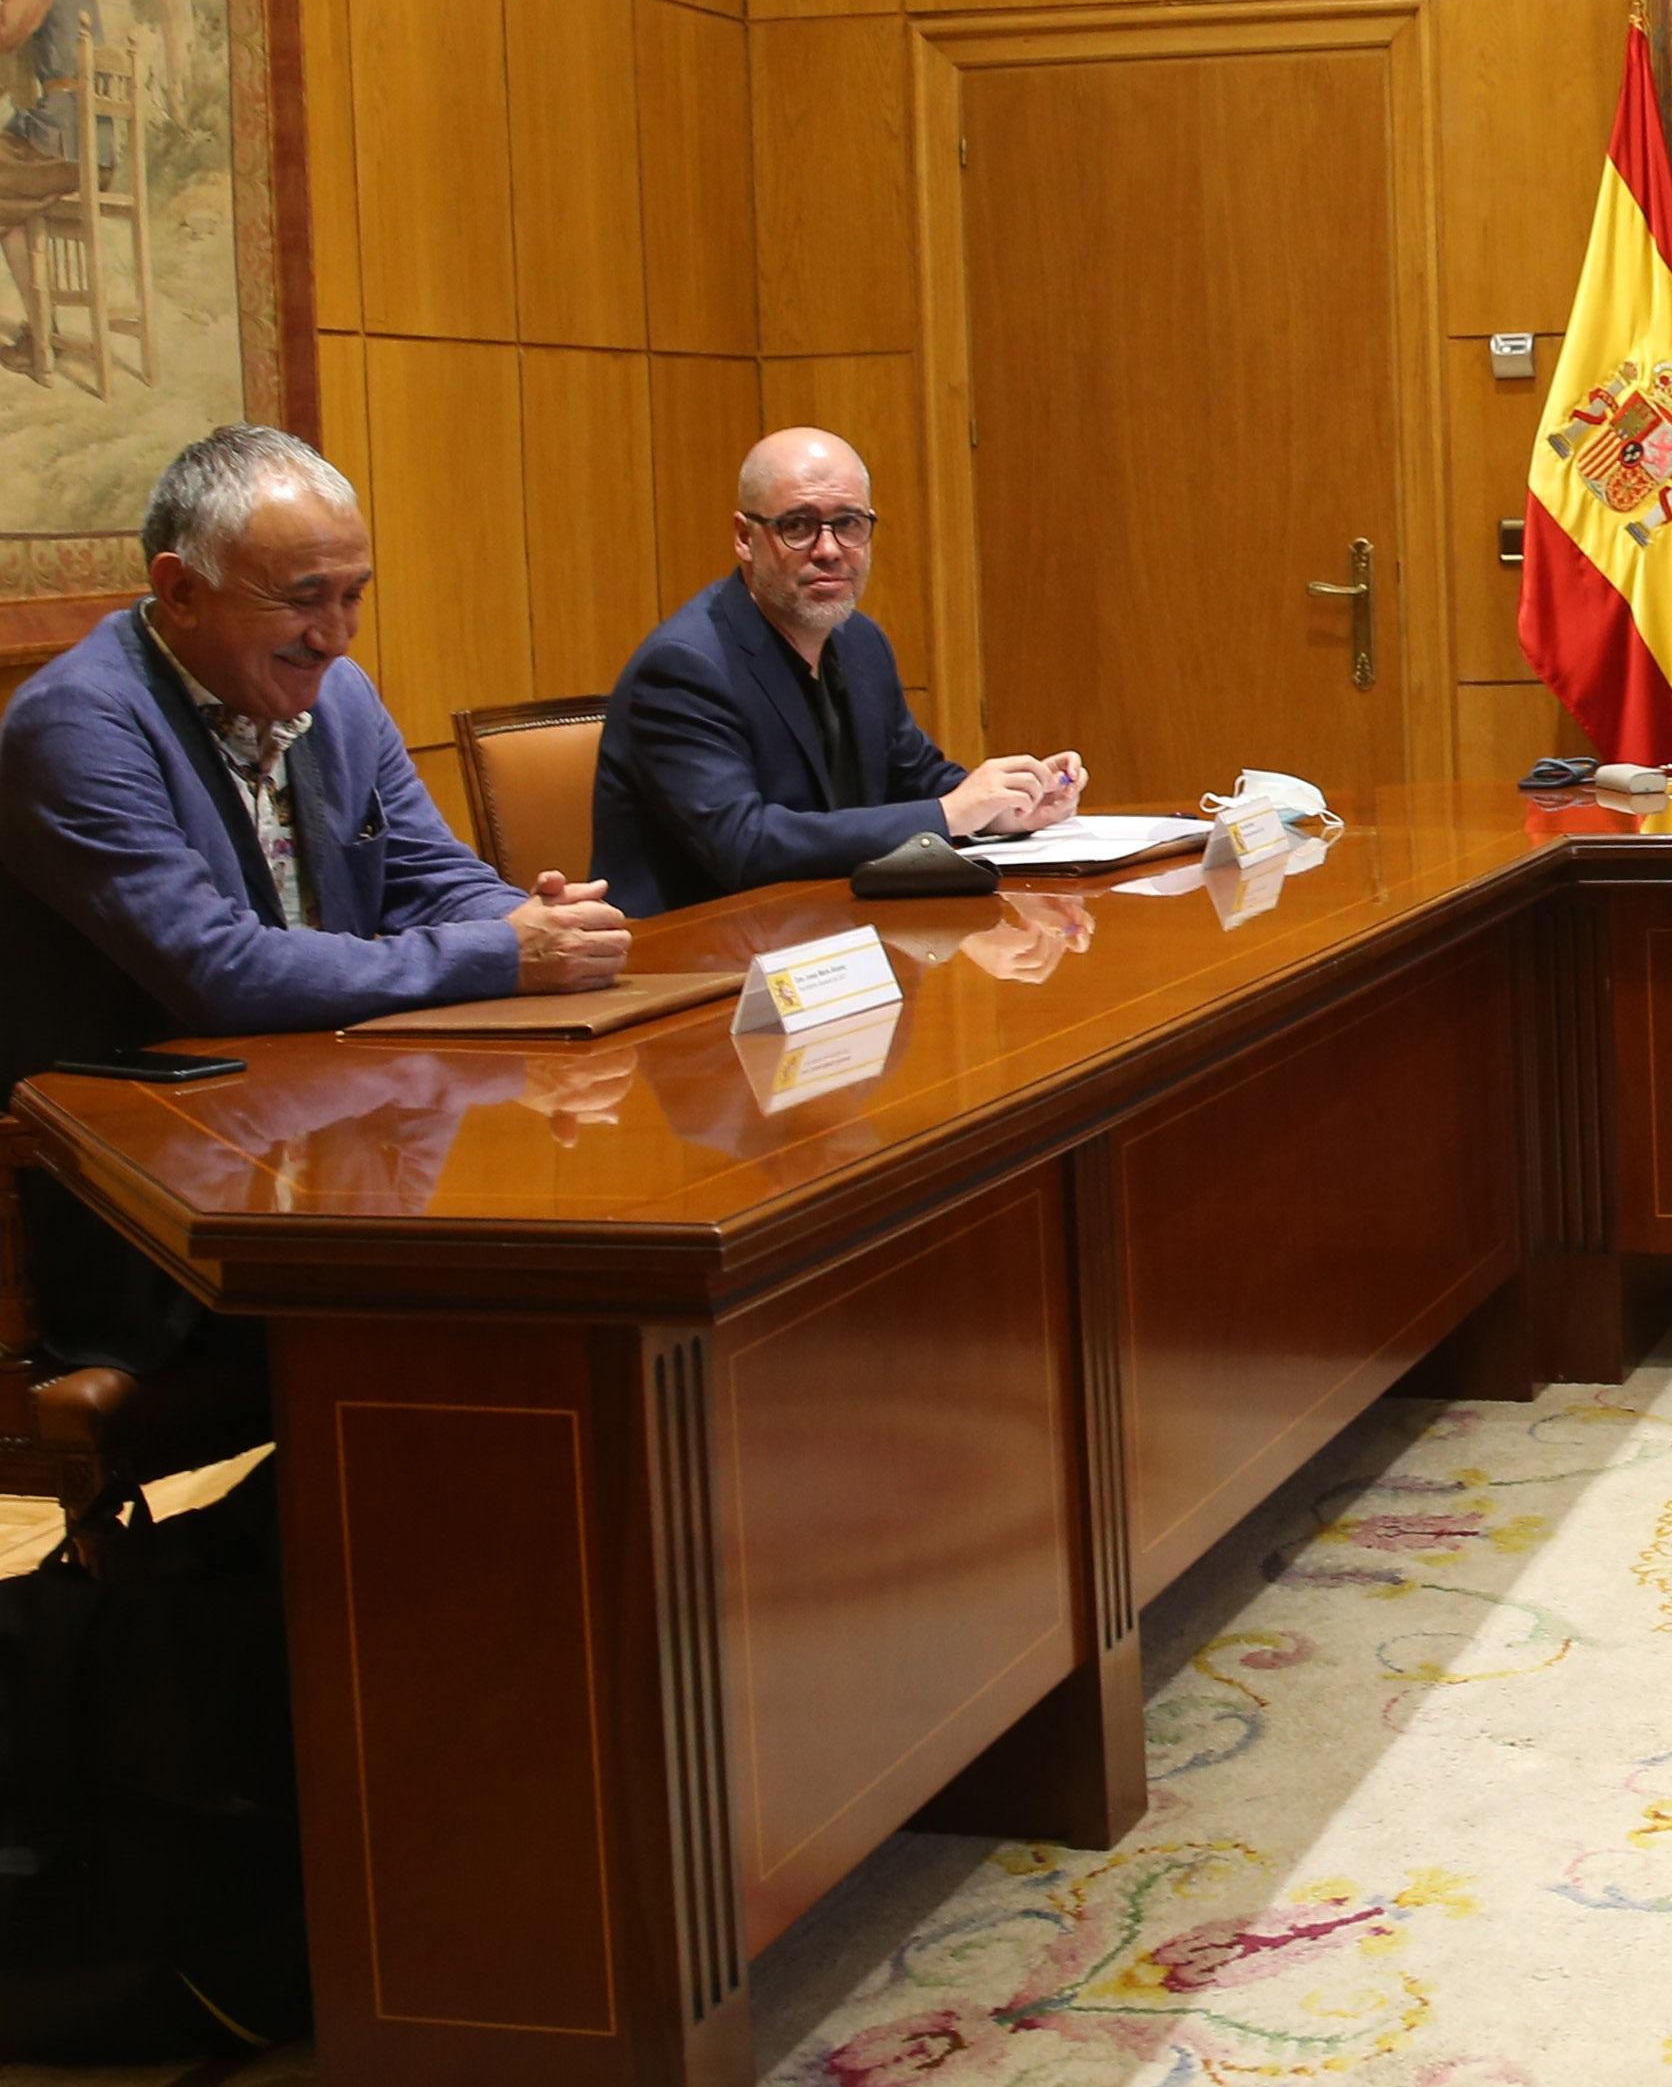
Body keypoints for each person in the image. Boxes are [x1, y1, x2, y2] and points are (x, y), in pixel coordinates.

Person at [0, 425, 631, 1421]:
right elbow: (221, 972)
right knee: (509, 1327)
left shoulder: (338, 699)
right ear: (179, 591)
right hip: (152, 1221)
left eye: (351, 595)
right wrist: (501, 951)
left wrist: (531, 919)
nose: (335, 635)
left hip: (338, 1153)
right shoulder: (76, 727)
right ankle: (238, 1574)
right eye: (301, 598)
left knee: (576, 1280)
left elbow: (430, 875)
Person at [592, 427, 1084, 909]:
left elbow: (914, 780)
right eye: (798, 526)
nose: (828, 550)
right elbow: (743, 846)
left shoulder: (860, 642)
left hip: (826, 936)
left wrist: (1007, 807)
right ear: (745, 537)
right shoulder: (684, 667)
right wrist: (948, 813)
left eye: (848, 523)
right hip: (695, 957)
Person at [0, 0, 99, 364]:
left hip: (59, 138)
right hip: (90, 140)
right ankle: (41, 332)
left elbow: (9, 28)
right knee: (7, 207)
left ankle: (41, 335)